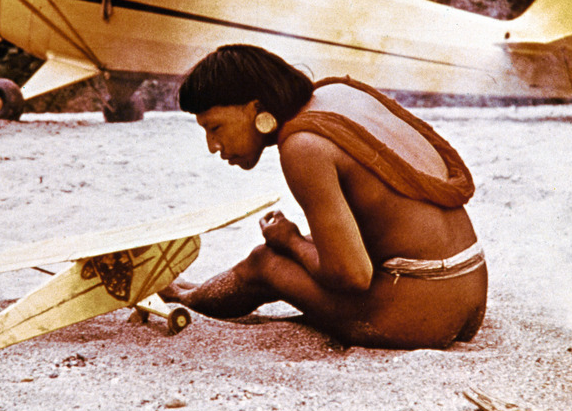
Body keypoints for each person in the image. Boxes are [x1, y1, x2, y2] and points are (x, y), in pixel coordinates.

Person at [160, 44, 487, 349]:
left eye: (215, 128)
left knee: (266, 263)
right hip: (470, 290)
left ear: (256, 108)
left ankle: (183, 298)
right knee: (304, 246)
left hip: (425, 313)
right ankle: (191, 291)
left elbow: (351, 276)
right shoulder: (335, 93)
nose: (212, 146)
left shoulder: (302, 145)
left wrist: (289, 242)